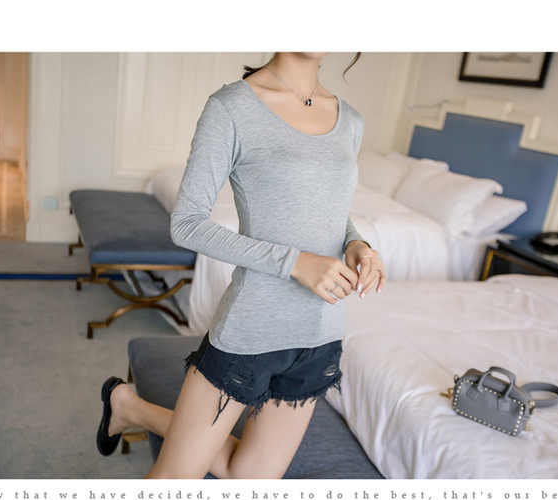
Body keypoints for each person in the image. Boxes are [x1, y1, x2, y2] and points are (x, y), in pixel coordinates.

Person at [96, 52, 386, 479]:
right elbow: (187, 224)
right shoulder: (232, 107)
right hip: (251, 331)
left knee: (246, 477)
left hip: (320, 332)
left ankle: (128, 406)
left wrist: (358, 244)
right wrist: (295, 263)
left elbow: (329, 212)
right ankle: (128, 406)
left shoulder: (351, 121)